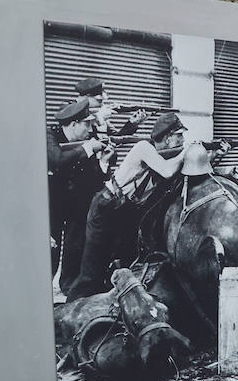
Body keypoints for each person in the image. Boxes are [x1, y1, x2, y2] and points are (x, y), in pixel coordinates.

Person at [66, 113, 191, 300]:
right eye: (179, 135)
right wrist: (186, 153)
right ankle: (69, 314)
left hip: (123, 212)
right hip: (105, 206)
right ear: (167, 137)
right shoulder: (144, 148)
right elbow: (167, 171)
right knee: (91, 273)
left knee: (122, 265)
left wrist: (212, 155)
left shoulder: (159, 156)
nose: (183, 140)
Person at [48, 98, 108, 296]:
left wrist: (103, 164)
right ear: (74, 124)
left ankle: (69, 291)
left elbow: (92, 180)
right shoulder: (49, 136)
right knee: (50, 255)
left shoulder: (85, 141)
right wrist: (87, 149)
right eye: (87, 124)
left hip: (73, 205)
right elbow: (57, 160)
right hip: (49, 206)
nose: (91, 128)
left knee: (75, 249)